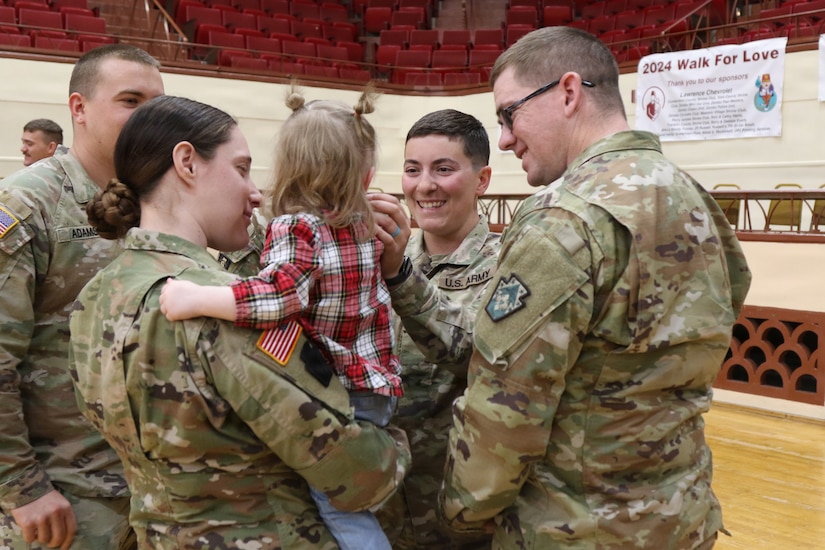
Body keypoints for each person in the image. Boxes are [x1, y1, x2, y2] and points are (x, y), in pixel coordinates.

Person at [434, 26, 752, 549]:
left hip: (575, 529)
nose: (507, 138)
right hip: (682, 519)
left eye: (509, 115)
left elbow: (506, 411)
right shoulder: (697, 201)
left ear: (567, 92)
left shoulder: (563, 219)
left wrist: (458, 516)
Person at [69, 94, 411, 547]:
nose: (256, 192)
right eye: (242, 169)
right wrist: (398, 447)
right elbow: (350, 472)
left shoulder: (95, 296)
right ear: (187, 163)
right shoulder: (221, 306)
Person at [0, 44, 164, 550]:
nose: (149, 119)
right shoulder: (27, 203)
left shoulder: (156, 204)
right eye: (131, 101)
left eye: (157, 105)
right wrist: (21, 487)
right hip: (63, 500)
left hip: (152, 498)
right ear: (79, 108)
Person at [369, 109, 500, 549]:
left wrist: (400, 277)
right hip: (381, 502)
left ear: (481, 180)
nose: (424, 186)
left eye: (443, 169)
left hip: (459, 515)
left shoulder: (510, 263)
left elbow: (476, 354)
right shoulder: (381, 259)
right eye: (412, 170)